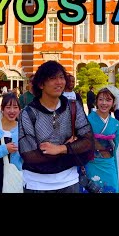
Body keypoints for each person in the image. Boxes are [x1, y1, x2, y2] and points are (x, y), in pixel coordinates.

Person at [18, 60, 94, 193]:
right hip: (37, 184)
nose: (59, 82)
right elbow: (29, 155)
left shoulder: (73, 107)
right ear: (41, 84)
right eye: (53, 78)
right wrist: (71, 148)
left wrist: (60, 148)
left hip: (69, 181)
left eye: (61, 77)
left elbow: (88, 142)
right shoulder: (28, 113)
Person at [82, 86, 119, 193]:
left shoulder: (115, 123)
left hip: (108, 163)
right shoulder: (87, 120)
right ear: (96, 101)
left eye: (108, 100)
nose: (104, 103)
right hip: (91, 163)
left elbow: (115, 147)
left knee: (111, 189)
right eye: (101, 99)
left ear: (113, 102)